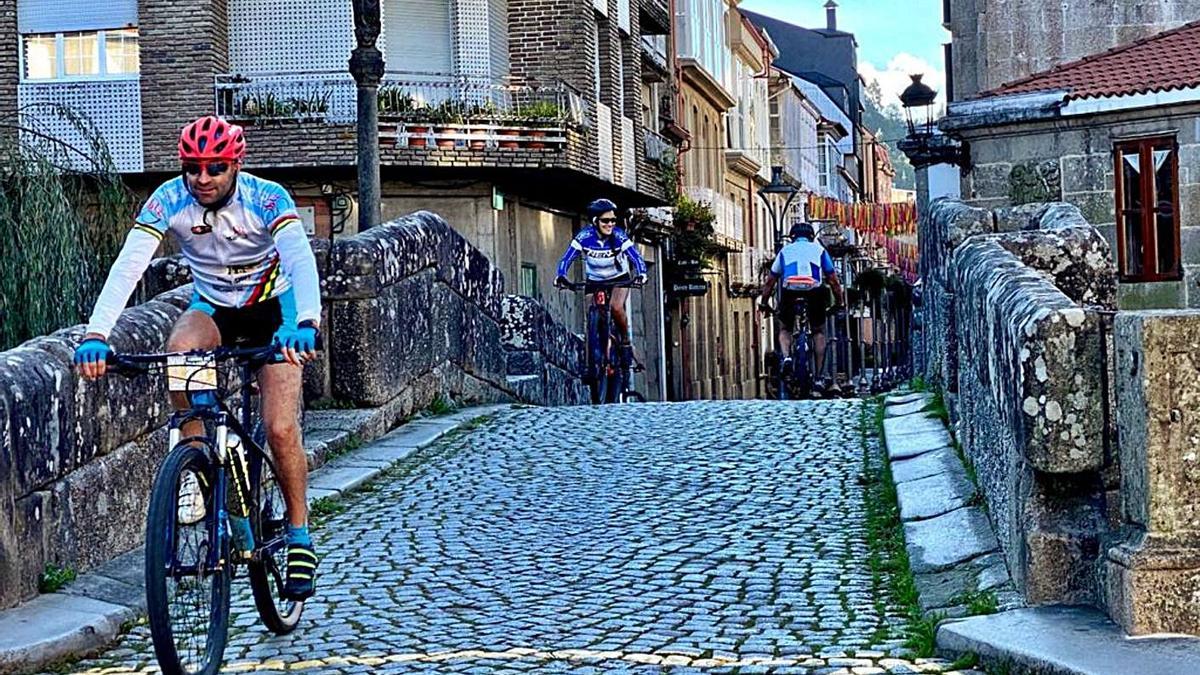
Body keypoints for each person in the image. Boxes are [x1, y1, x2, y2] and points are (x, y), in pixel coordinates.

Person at [72, 115, 322, 601]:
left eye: (215, 168)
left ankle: (298, 534)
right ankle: (197, 464)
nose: (202, 178)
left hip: (276, 310)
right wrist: (97, 333)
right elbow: (130, 264)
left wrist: (307, 322)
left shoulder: (267, 197)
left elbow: (298, 257)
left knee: (279, 427)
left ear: (236, 164)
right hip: (215, 306)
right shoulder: (169, 198)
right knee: (178, 349)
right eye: (193, 168)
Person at [555, 199, 648, 362]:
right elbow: (567, 258)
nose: (610, 224)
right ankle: (594, 350)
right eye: (605, 221)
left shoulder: (619, 236)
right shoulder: (584, 236)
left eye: (613, 220)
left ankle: (625, 340)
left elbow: (636, 256)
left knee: (616, 307)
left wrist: (642, 273)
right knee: (590, 312)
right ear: (595, 221)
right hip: (595, 280)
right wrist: (561, 274)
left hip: (619, 278)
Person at [759, 221, 845, 391]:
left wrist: (763, 302)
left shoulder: (784, 251)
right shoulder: (819, 250)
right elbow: (833, 281)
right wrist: (839, 302)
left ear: (792, 238)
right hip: (814, 291)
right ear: (812, 237)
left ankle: (787, 357)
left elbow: (770, 282)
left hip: (790, 290)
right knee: (818, 331)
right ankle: (819, 377)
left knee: (785, 328)